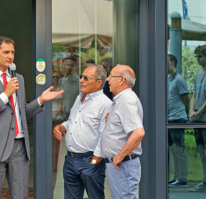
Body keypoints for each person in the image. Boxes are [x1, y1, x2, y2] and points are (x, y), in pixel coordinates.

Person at [0, 36, 63, 199]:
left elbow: (19, 112)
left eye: (12, 52)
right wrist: (6, 94)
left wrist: (40, 100)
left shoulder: (18, 78)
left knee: (20, 195)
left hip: (19, 146)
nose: (10, 56)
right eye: (6, 52)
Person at [53, 65, 112, 199]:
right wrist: (61, 127)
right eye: (81, 77)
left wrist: (95, 160)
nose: (81, 80)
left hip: (90, 160)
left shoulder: (105, 104)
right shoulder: (79, 98)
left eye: (86, 78)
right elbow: (72, 121)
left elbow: (105, 135)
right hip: (71, 160)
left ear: (99, 83)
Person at [98, 65, 145, 199]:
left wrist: (119, 156)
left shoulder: (126, 100)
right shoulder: (121, 99)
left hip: (123, 164)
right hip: (121, 165)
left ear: (121, 80)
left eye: (111, 76)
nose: (107, 79)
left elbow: (138, 132)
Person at [167, 54, 190, 188]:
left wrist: (187, 115)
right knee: (174, 150)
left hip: (178, 118)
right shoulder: (169, 79)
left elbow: (187, 98)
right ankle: (176, 176)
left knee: (179, 149)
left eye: (167, 62)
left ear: (173, 63)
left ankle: (182, 178)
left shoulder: (179, 79)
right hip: (170, 119)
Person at [189, 44, 206, 192]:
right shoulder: (198, 76)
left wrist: (198, 112)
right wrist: (190, 111)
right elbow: (194, 96)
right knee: (201, 151)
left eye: (200, 56)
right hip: (198, 120)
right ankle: (205, 181)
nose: (198, 59)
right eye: (196, 56)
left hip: (204, 119)